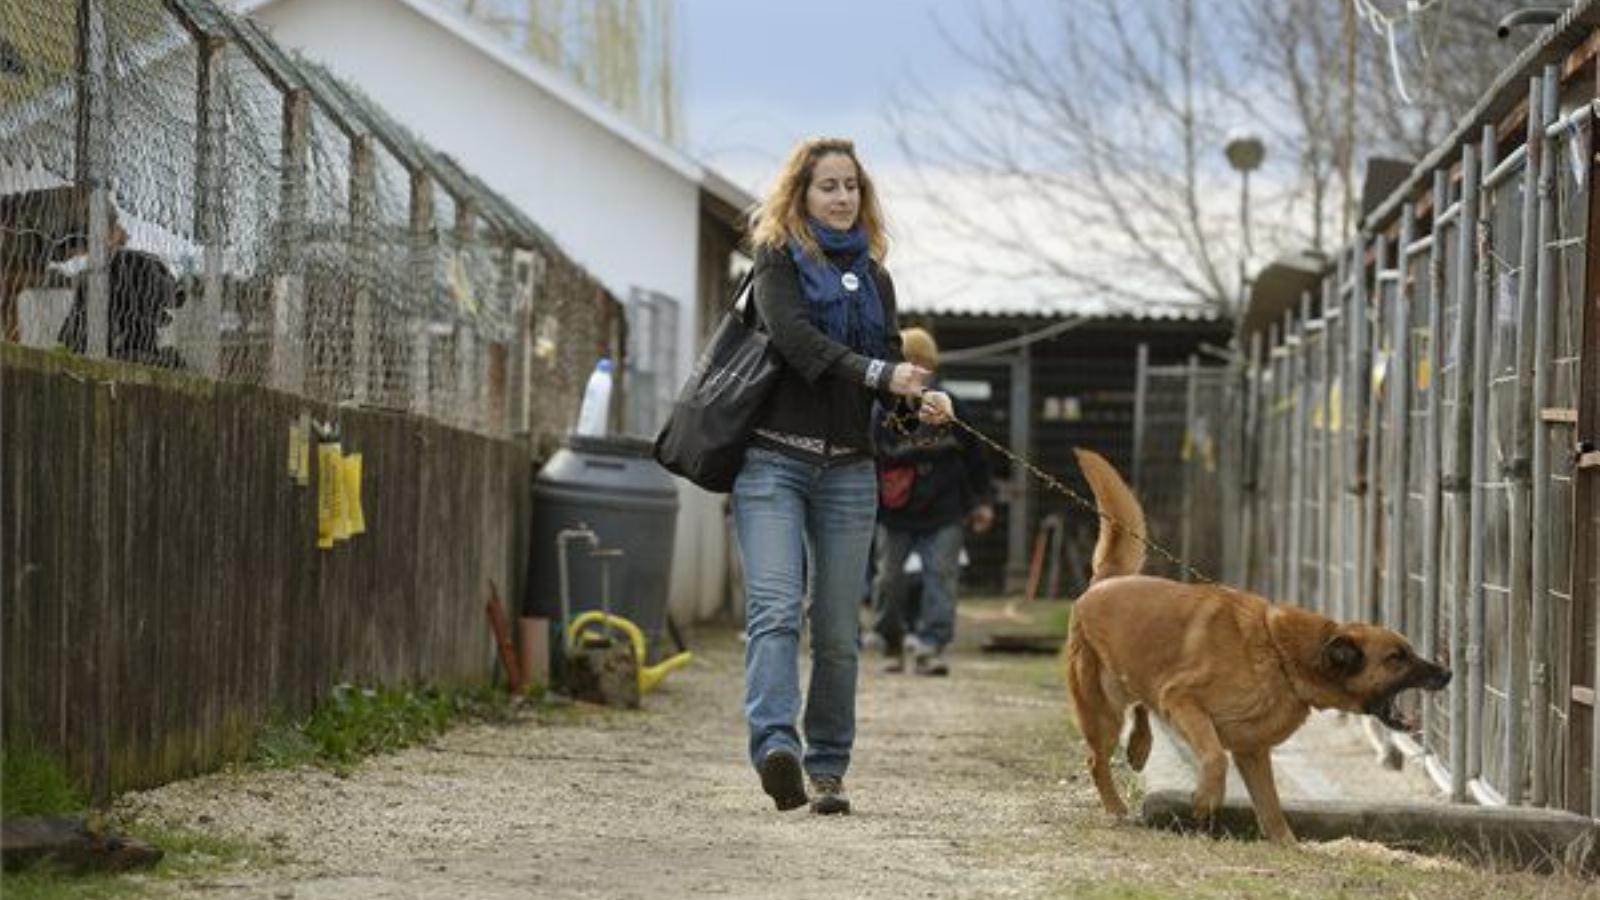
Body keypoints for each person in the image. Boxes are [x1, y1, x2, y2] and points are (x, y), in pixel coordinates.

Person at [734, 136, 952, 816]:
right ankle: (777, 745)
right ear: (800, 195)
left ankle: (826, 766)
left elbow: (887, 371)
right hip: (772, 461)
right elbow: (799, 344)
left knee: (836, 629)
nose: (841, 197)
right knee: (775, 610)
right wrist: (881, 373)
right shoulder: (776, 263)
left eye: (851, 186)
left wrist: (916, 403)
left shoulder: (875, 278)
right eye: (827, 186)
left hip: (850, 473)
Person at [868, 327, 995, 676]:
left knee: (940, 577)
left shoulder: (951, 407)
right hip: (894, 510)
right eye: (909, 360)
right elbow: (872, 459)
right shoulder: (882, 412)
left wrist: (982, 502)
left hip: (945, 508)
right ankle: (890, 640)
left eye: (923, 362)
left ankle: (931, 646)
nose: (917, 368)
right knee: (888, 580)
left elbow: (977, 459)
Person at [58, 216, 185, 366]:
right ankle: (163, 293)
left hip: (116, 334)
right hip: (102, 343)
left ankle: (162, 293)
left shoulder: (126, 263)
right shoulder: (119, 266)